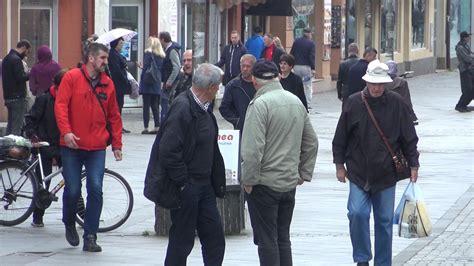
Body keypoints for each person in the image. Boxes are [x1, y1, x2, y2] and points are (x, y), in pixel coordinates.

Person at [332, 60, 420, 266]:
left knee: (384, 221)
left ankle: (383, 263)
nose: (377, 87)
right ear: (366, 81)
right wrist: (339, 165)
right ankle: (362, 259)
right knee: (357, 213)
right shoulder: (354, 103)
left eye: (381, 83)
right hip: (358, 170)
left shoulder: (397, 103)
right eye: (373, 83)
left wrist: (414, 164)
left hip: (386, 172)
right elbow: (340, 137)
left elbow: (409, 136)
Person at [145, 63, 226, 265]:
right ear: (211, 88)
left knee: (215, 239)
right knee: (182, 241)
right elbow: (168, 150)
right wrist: (184, 182)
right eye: (218, 86)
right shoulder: (183, 107)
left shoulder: (204, 107)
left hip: (204, 186)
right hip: (188, 187)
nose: (219, 90)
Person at [241, 60, 318, 266]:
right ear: (278, 77)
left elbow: (252, 149)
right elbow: (311, 142)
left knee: (267, 240)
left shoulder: (259, 105)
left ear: (255, 82)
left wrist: (248, 180)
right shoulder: (295, 101)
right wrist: (303, 172)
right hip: (288, 183)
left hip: (264, 183)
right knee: (283, 238)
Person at [55, 43, 123, 252]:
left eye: (106, 58)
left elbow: (114, 115)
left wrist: (117, 144)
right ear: (91, 58)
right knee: (73, 189)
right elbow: (60, 105)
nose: (106, 61)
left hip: (96, 147)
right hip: (72, 145)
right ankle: (69, 221)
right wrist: (66, 132)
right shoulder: (72, 77)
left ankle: (90, 235)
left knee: (95, 189)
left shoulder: (107, 83)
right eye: (102, 58)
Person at [24, 68, 67, 227]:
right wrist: (33, 135)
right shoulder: (45, 99)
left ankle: (79, 214)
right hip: (45, 144)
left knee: (72, 180)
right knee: (43, 183)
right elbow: (31, 118)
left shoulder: (70, 99)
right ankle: (38, 216)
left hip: (63, 145)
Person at [219, 54, 256, 132]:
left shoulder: (260, 84)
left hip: (258, 127)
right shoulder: (232, 86)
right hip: (241, 130)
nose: (245, 69)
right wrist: (237, 121)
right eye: (243, 66)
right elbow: (224, 108)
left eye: (248, 66)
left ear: (254, 67)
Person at [1, 40, 31, 136]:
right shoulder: (16, 60)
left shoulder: (6, 59)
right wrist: (31, 73)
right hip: (18, 98)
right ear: (23, 48)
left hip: (8, 97)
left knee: (10, 127)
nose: (27, 55)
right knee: (16, 129)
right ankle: (14, 149)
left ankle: (6, 149)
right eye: (27, 51)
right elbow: (20, 77)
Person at [139, 36, 165, 134]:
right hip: (156, 81)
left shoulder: (148, 53)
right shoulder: (161, 55)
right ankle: (157, 126)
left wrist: (142, 70)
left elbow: (146, 67)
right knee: (155, 105)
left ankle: (146, 127)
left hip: (147, 82)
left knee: (146, 105)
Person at [108, 37, 131, 133]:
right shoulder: (113, 54)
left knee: (120, 105)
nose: (122, 45)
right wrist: (125, 79)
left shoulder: (117, 54)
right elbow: (117, 70)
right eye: (121, 43)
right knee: (117, 105)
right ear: (116, 44)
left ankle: (119, 125)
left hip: (119, 84)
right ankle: (116, 126)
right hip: (117, 84)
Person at [159, 31, 181, 123]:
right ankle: (168, 120)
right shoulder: (167, 50)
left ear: (163, 39)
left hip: (171, 80)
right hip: (168, 79)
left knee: (165, 100)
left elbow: (177, 67)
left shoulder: (171, 50)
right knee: (167, 100)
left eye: (160, 39)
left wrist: (169, 81)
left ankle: (166, 121)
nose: (159, 42)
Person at [290, 27, 316, 105]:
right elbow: (312, 57)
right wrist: (313, 68)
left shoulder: (296, 42)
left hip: (296, 66)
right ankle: (307, 103)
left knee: (297, 84)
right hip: (306, 67)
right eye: (311, 33)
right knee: (307, 85)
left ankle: (296, 100)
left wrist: (291, 65)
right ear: (309, 34)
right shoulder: (311, 43)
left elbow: (292, 53)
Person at [454, 31, 473, 112]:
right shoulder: (460, 48)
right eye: (468, 37)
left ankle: (464, 105)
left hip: (471, 70)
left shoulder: (466, 46)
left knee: (472, 89)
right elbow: (467, 58)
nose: (469, 38)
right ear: (464, 38)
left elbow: (471, 54)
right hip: (465, 70)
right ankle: (460, 105)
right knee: (468, 90)